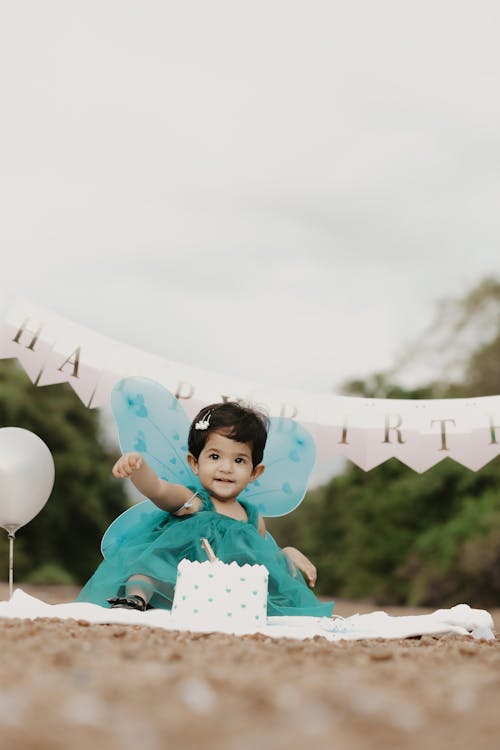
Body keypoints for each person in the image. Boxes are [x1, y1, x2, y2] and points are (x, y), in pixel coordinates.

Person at [76, 401, 334, 617]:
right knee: (152, 564)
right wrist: (138, 469)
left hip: (219, 596)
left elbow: (263, 559)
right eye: (214, 456)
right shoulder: (193, 501)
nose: (226, 467)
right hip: (175, 584)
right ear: (194, 463)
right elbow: (158, 490)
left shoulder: (252, 517)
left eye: (239, 460)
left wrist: (285, 554)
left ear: (255, 472)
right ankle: (136, 600)